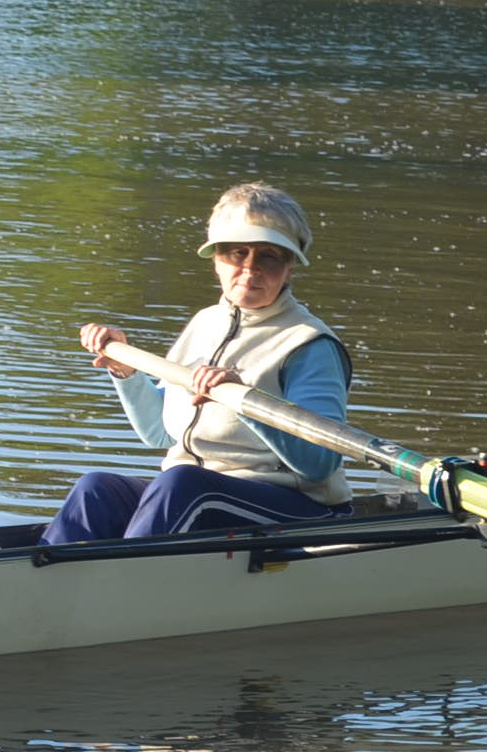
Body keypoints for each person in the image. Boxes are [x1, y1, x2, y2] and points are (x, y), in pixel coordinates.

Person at [42, 182, 351, 546]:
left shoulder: (309, 344)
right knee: (96, 489)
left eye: (268, 256)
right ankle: (39, 582)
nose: (250, 270)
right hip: (195, 496)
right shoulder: (205, 323)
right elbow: (159, 431)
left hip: (302, 509)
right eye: (238, 253)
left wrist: (246, 400)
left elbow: (320, 463)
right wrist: (124, 371)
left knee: (182, 483)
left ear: (290, 268)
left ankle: (117, 587)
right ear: (217, 260)